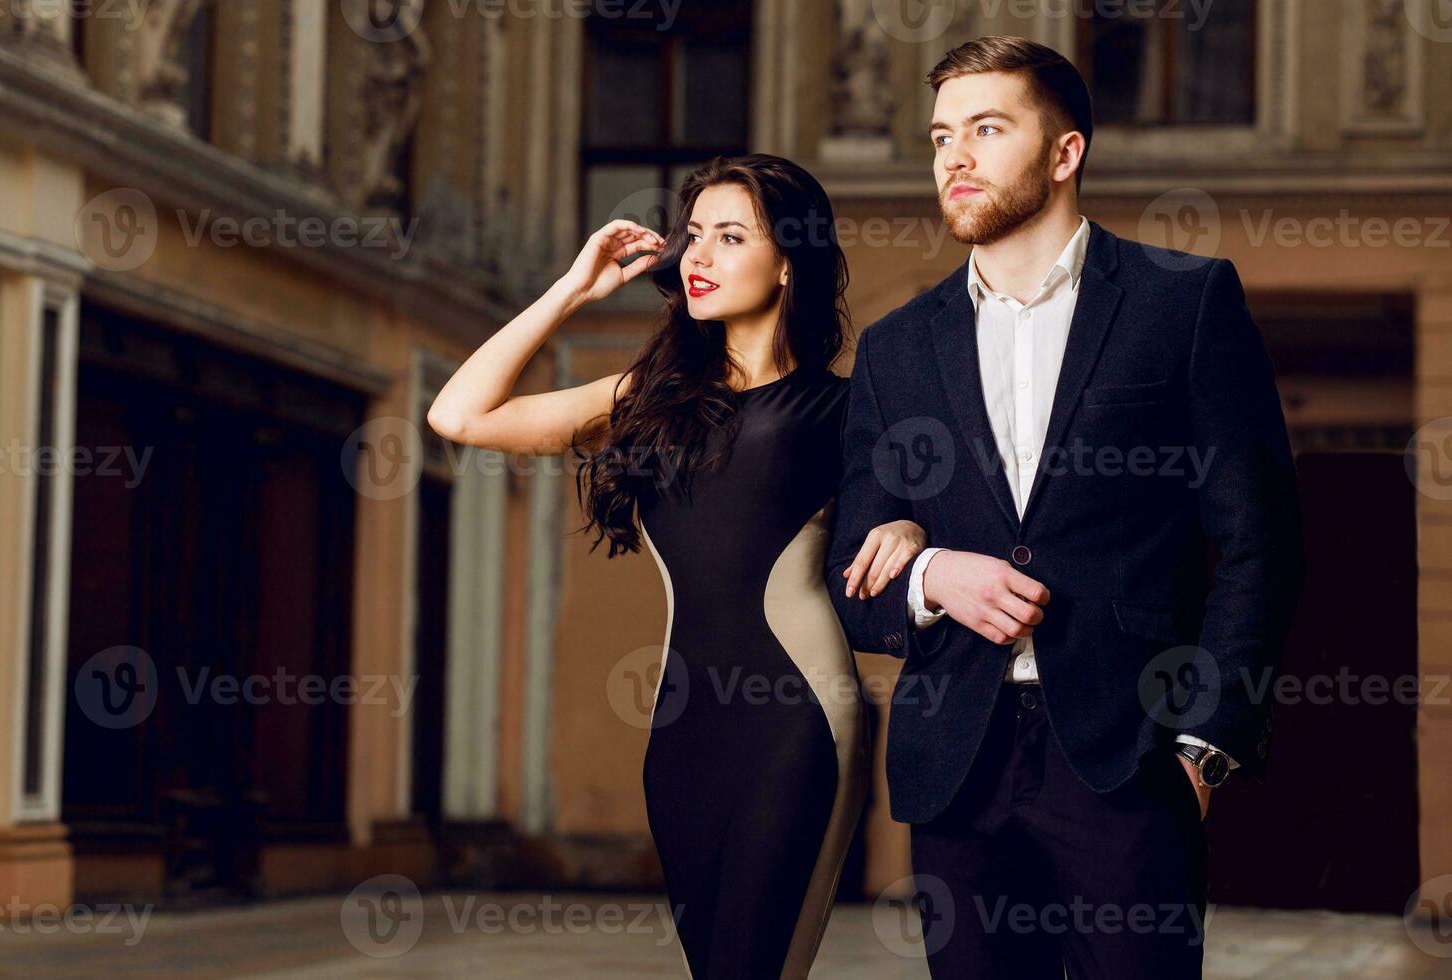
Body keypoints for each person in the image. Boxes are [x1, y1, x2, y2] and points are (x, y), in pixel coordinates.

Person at [824, 36, 1305, 979]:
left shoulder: (1184, 304)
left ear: (1064, 152)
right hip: (956, 764)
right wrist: (932, 574)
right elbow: (856, 575)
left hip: (1130, 756)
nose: (953, 158)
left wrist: (1204, 746)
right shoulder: (895, 348)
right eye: (939, 137)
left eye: (986, 129)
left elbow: (1259, 542)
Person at [429, 154, 921, 978]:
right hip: (682, 735)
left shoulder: (849, 407)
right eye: (694, 236)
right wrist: (573, 291)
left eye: (731, 237)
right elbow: (458, 413)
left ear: (789, 260)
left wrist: (907, 528)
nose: (698, 257)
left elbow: (920, 508)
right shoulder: (649, 401)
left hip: (797, 724)